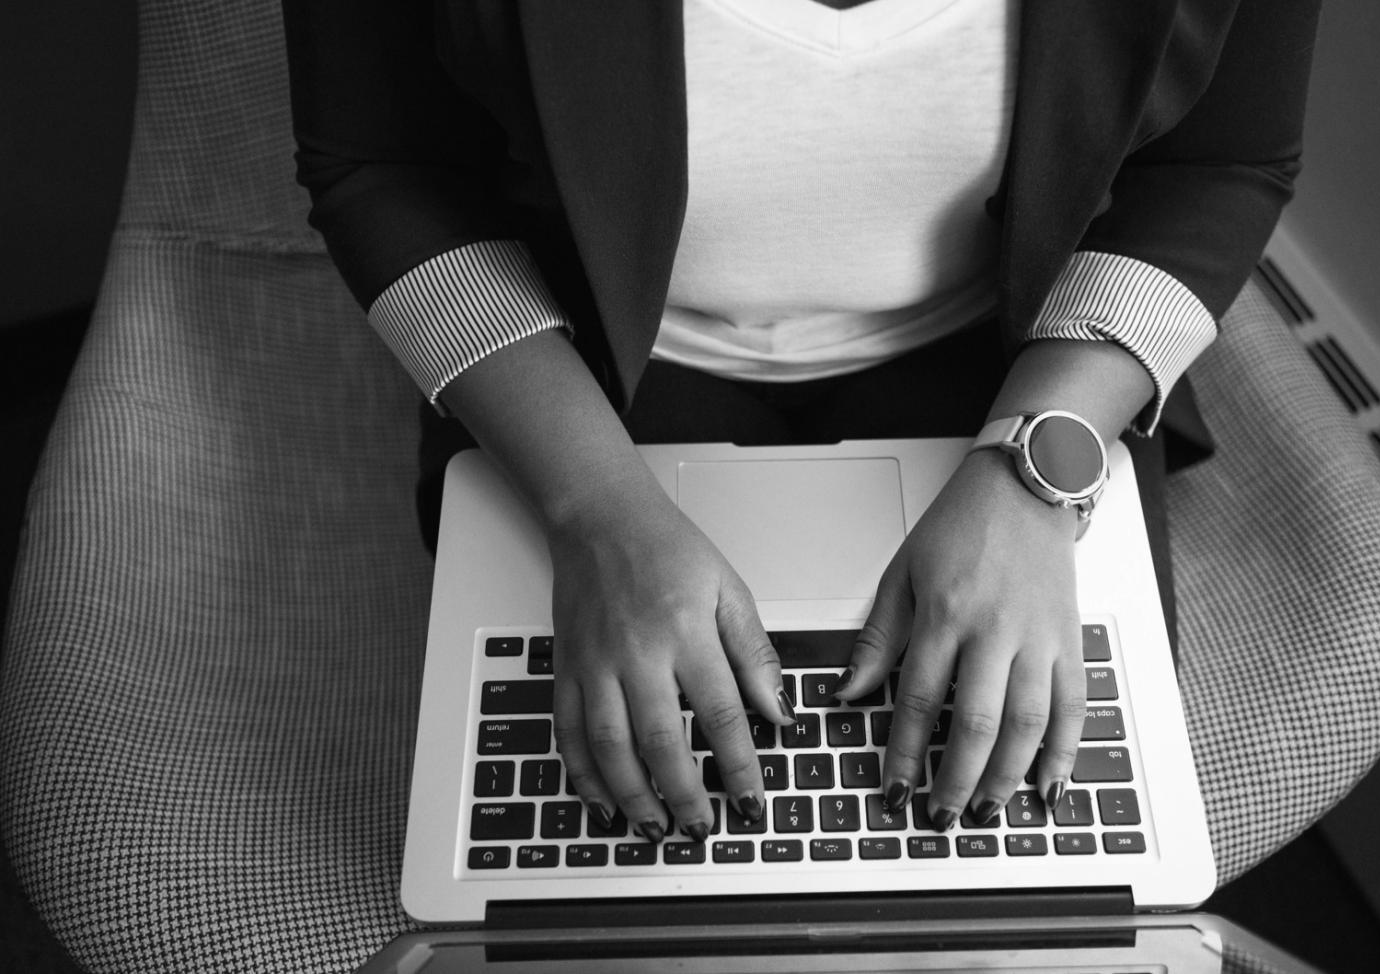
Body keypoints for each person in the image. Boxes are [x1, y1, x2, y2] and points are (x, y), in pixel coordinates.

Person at [282, 0, 1319, 846]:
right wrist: (594, 507)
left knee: (1022, 846)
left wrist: (1031, 474)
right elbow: (382, 164)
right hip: (581, 349)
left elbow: (1216, 165)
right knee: (611, 844)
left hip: (1014, 347)